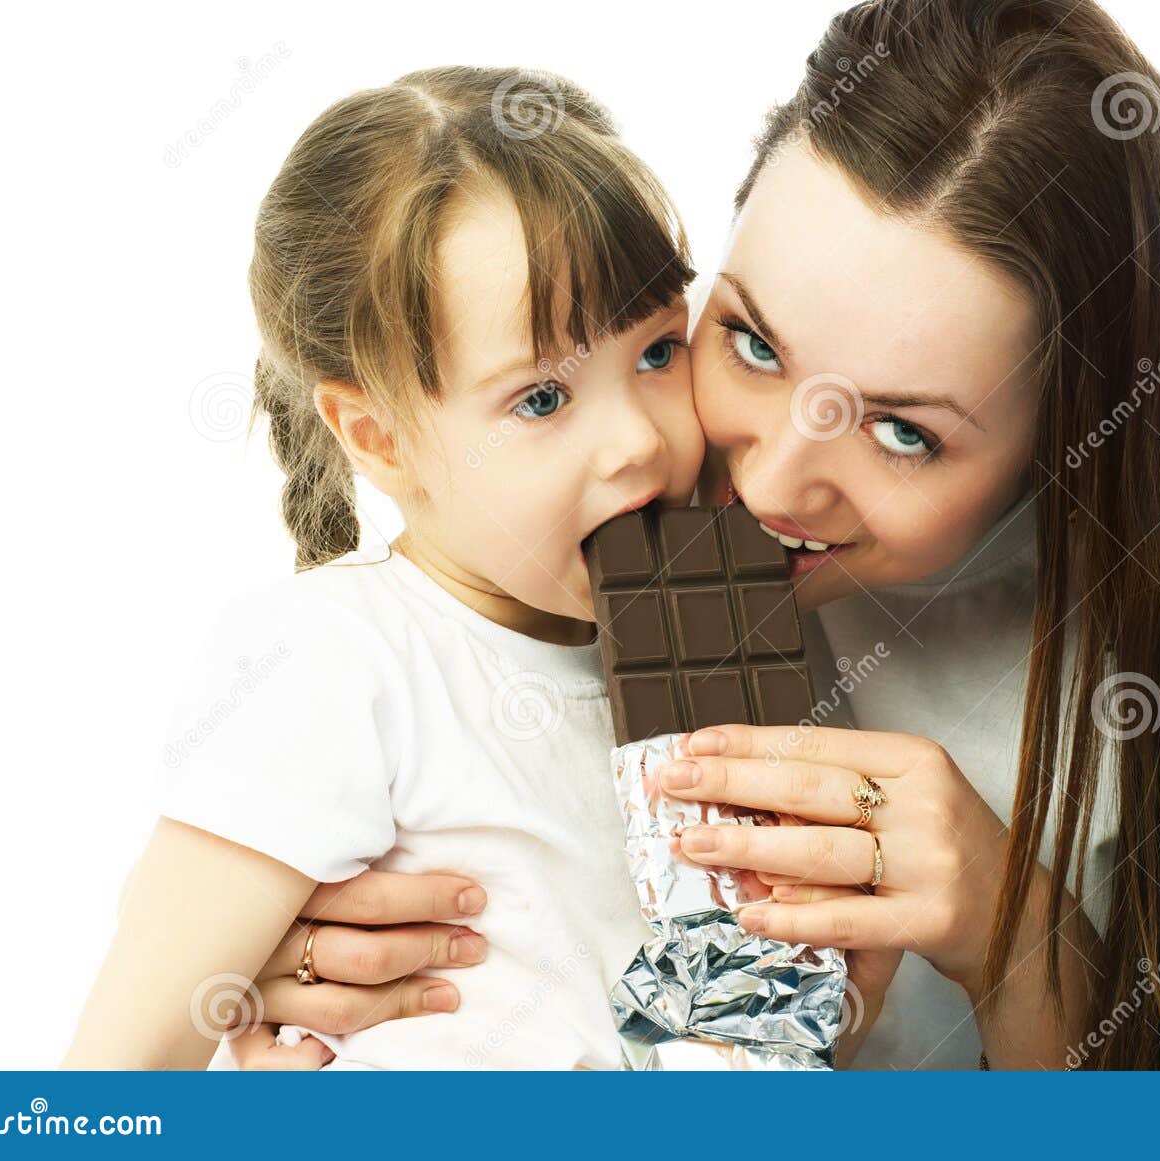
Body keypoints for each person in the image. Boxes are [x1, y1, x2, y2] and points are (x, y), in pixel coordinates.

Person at [240, 0, 1160, 1070]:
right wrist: (287, 958)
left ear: (1071, 439)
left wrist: (1011, 932)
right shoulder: (578, 534)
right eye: (752, 344)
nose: (770, 479)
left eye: (905, 433)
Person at [66, 65, 712, 1068]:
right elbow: (108, 1082)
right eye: (540, 399)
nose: (638, 439)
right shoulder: (331, 660)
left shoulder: (731, 632)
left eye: (659, 351)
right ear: (379, 438)